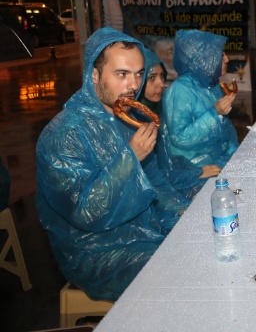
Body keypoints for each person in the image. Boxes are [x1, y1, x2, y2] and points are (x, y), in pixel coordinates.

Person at [36, 27, 190, 302]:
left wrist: (181, 210)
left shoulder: (129, 121)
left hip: (141, 228)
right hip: (94, 251)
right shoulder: (63, 134)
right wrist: (129, 158)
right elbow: (85, 213)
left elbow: (154, 181)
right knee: (183, 273)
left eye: (139, 74)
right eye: (121, 74)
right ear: (94, 76)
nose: (133, 85)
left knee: (203, 237)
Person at [140, 47, 221, 199]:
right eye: (151, 77)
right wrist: (195, 173)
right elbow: (147, 177)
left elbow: (166, 161)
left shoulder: (157, 109)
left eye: (162, 76)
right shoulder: (133, 119)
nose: (161, 83)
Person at [160, 30, 239, 175]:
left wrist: (235, 152)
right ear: (202, 59)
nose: (227, 59)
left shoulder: (211, 85)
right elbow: (180, 138)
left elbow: (224, 128)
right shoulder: (180, 90)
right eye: (220, 55)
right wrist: (214, 113)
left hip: (219, 159)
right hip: (193, 168)